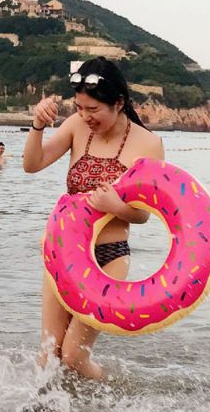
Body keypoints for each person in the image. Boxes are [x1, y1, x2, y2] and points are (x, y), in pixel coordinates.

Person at [22, 57, 164, 380]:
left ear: (119, 103)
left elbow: (143, 215)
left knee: (73, 357)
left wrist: (117, 205)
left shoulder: (149, 144)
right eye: (79, 108)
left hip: (109, 257)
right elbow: (32, 164)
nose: (85, 117)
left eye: (93, 110)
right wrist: (37, 126)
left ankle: (113, 395)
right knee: (49, 355)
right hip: (63, 252)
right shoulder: (75, 126)